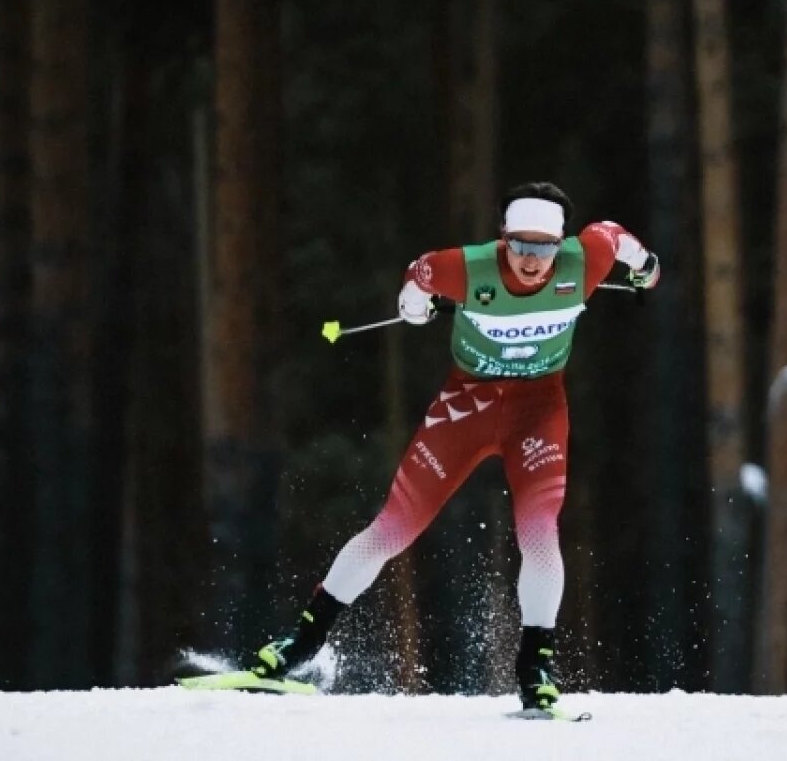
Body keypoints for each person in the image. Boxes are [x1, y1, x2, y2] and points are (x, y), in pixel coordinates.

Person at [251, 181, 659, 712]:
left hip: (538, 412)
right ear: (502, 239)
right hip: (466, 407)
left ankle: (536, 669)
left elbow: (619, 239)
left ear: (561, 245)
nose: (532, 261)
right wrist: (414, 305)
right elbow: (418, 275)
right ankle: (300, 647)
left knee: (540, 534)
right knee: (391, 529)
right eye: (520, 245)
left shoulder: (587, 258)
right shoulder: (466, 269)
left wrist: (646, 267)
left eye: (544, 248)